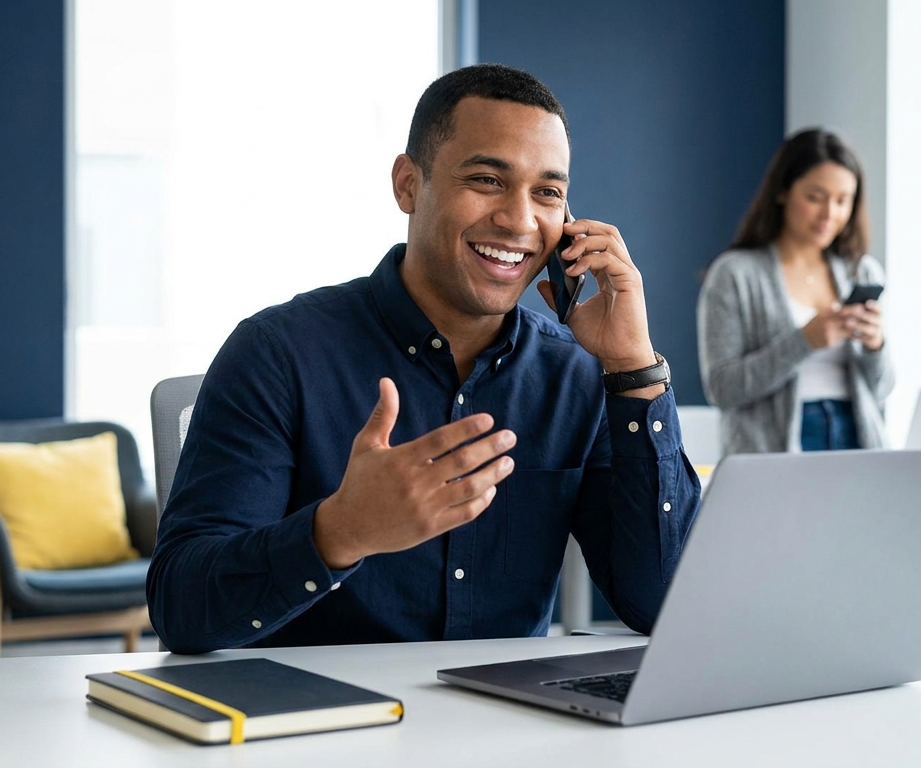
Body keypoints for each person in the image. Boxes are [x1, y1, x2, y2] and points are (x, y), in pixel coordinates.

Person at [148, 64, 701, 654]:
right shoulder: (277, 354)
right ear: (408, 184)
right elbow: (184, 608)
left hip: (505, 732)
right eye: (487, 179)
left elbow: (662, 605)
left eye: (547, 193)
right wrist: (340, 531)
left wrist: (634, 369)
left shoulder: (576, 374)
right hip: (316, 727)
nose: (519, 220)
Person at [697, 128, 894, 456]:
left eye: (843, 200)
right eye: (815, 197)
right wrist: (805, 341)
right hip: (774, 450)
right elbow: (722, 389)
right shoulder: (734, 274)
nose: (829, 214)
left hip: (857, 439)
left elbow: (882, 389)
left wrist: (876, 346)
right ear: (783, 192)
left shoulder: (863, 270)